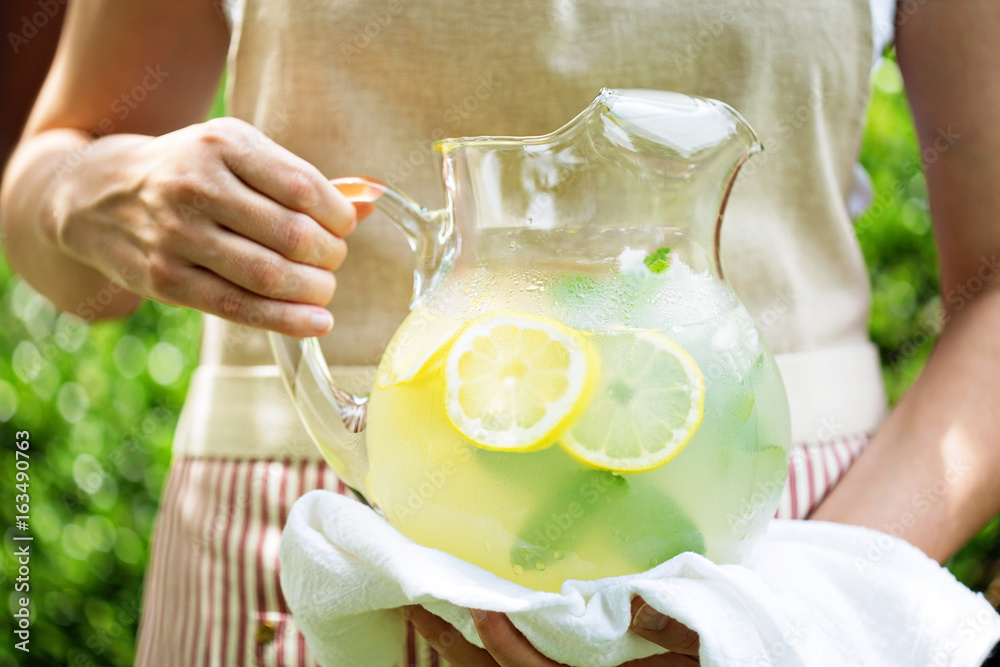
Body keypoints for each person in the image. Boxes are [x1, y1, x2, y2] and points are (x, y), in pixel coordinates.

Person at [2, 1, 998, 666]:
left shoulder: (775, 597)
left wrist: (775, 616)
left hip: (778, 531)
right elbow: (76, 245)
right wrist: (85, 192)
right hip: (296, 535)